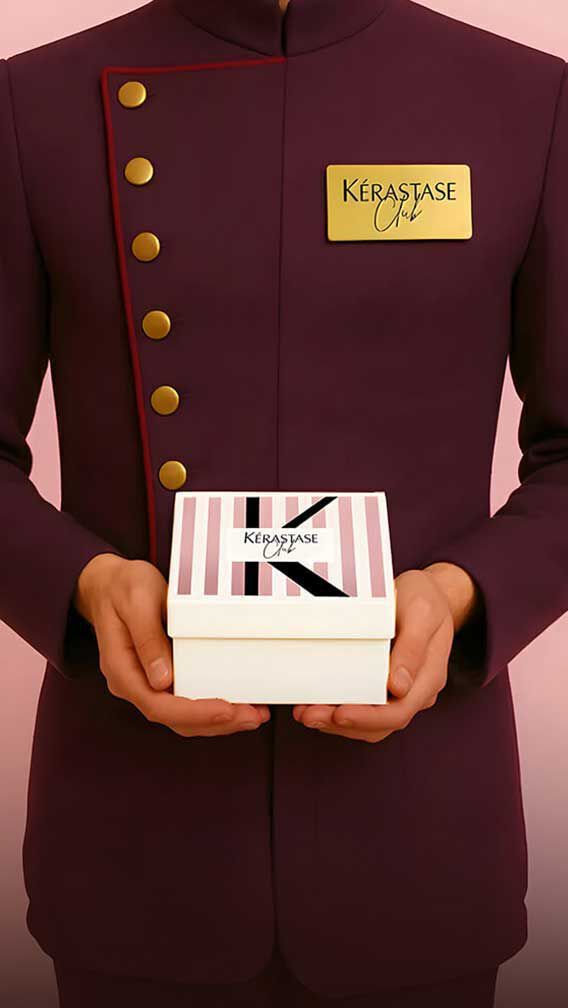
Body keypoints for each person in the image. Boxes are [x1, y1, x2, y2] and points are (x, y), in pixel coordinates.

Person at [1, 0, 567, 1004]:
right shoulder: (32, 101)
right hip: (136, 839)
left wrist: (463, 596)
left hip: (420, 832)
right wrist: (84, 586)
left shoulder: (528, 100)